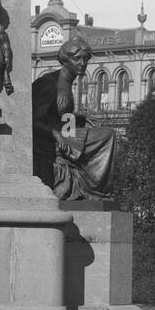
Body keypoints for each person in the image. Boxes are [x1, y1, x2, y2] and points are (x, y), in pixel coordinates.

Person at [32, 37, 117, 200]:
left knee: (105, 133)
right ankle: (95, 188)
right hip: (48, 142)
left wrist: (80, 119)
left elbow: (60, 116)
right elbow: (34, 121)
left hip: (65, 133)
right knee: (108, 136)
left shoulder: (67, 83)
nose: (82, 63)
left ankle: (96, 189)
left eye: (86, 59)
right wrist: (56, 135)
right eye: (77, 58)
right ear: (65, 60)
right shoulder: (49, 84)